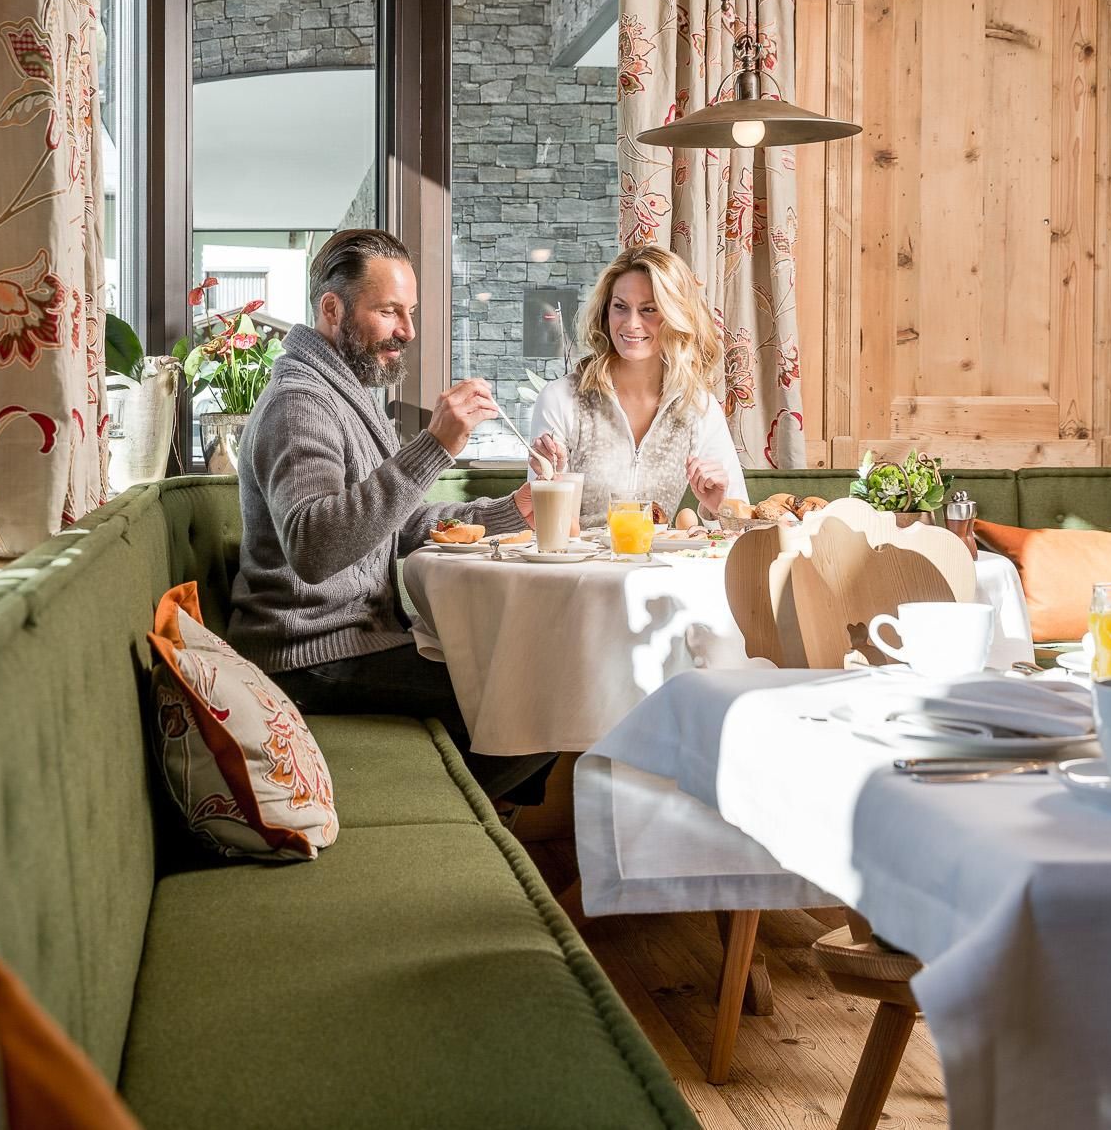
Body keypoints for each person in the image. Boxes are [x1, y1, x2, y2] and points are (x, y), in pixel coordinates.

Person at [228, 228, 561, 802]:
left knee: (532, 679)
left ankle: (479, 821)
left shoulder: (348, 393)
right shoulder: (300, 404)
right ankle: (456, 819)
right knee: (538, 697)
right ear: (332, 309)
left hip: (358, 641)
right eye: (388, 312)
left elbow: (395, 522)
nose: (406, 330)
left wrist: (511, 511)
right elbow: (315, 548)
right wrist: (435, 446)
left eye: (409, 312)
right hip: (309, 659)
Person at [528, 244, 749, 522]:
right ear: (606, 312)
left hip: (658, 553)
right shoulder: (561, 398)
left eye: (649, 310)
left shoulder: (698, 407)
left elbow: (741, 524)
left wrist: (715, 509)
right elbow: (541, 522)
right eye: (620, 307)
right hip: (579, 552)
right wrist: (551, 477)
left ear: (675, 316)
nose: (631, 324)